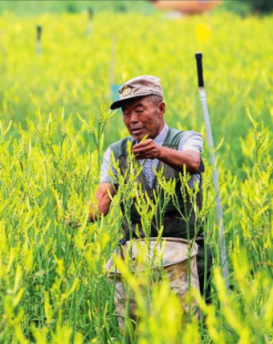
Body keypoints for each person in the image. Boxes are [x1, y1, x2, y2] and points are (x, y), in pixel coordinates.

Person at [72, 75, 213, 317]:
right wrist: (73, 217)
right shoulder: (117, 152)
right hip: (138, 260)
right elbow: (101, 203)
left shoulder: (186, 140)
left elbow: (193, 162)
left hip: (185, 256)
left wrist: (159, 152)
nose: (132, 120)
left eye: (139, 110)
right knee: (139, 332)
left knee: (188, 330)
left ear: (160, 109)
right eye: (126, 113)